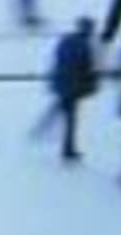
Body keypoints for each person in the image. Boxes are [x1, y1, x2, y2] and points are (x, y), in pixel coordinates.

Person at [37, 16, 99, 163]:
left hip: (61, 82)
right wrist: (91, 86)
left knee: (62, 109)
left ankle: (44, 129)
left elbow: (58, 58)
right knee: (71, 119)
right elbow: (86, 69)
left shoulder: (66, 40)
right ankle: (67, 149)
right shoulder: (84, 46)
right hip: (72, 87)